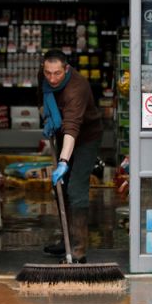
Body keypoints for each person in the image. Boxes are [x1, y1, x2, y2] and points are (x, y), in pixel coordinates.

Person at [40, 49, 103, 263]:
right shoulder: (46, 78)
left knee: (76, 187)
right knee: (60, 187)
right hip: (63, 134)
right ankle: (67, 239)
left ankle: (78, 250)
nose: (52, 78)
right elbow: (43, 97)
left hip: (86, 138)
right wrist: (48, 116)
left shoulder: (78, 87)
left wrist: (63, 162)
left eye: (57, 73)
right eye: (48, 73)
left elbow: (72, 128)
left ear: (66, 69)